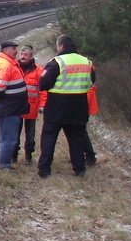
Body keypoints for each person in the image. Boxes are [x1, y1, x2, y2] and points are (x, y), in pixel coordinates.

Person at [37, 34, 96, 178]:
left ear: (61, 46)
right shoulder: (86, 62)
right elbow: (92, 81)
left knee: (49, 138)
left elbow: (43, 84)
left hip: (57, 106)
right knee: (76, 138)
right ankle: (79, 169)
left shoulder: (57, 62)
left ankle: (44, 169)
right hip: (79, 106)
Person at [0, 41, 30, 169]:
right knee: (9, 139)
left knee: (3, 137)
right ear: (5, 50)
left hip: (6, 107)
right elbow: (0, 87)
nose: (16, 51)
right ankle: (4, 165)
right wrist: (0, 101)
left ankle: (1, 162)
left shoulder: (3, 62)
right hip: (8, 108)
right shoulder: (5, 65)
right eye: (13, 48)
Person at [13, 44, 44, 165]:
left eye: (25, 55)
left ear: (31, 57)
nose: (22, 57)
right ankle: (14, 156)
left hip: (32, 108)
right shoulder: (15, 68)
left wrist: (42, 105)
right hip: (17, 107)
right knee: (15, 133)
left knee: (30, 135)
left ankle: (28, 157)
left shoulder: (39, 71)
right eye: (21, 54)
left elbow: (42, 90)